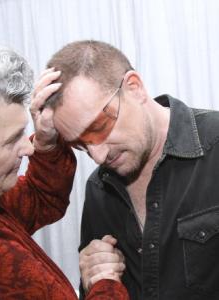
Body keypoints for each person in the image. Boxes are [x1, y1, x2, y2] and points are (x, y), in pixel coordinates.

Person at [0, 39, 129, 299]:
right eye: (11, 139)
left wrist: (47, 143)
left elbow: (39, 199)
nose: (28, 149)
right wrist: (104, 281)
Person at [37, 39, 219, 300]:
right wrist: (92, 282)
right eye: (79, 144)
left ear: (134, 88)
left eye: (98, 128)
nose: (97, 156)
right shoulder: (99, 189)